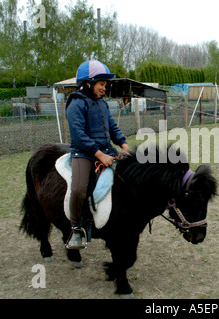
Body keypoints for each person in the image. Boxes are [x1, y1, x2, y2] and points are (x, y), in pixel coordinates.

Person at [65, 59, 130, 249]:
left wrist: (124, 145)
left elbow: (112, 126)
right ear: (88, 83)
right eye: (101, 84)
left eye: (105, 85)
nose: (104, 88)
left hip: (107, 150)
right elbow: (78, 135)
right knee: (78, 189)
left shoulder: (102, 103)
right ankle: (76, 229)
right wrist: (99, 155)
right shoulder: (76, 104)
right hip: (84, 154)